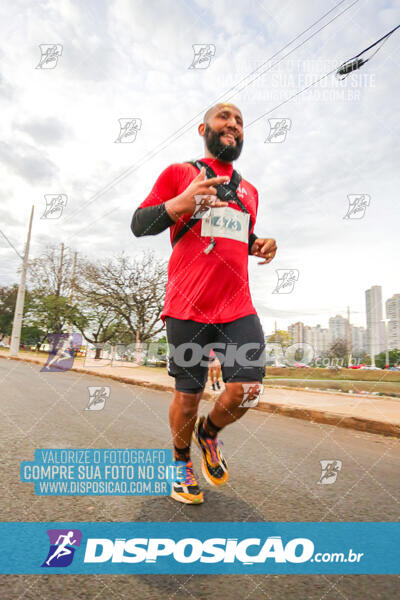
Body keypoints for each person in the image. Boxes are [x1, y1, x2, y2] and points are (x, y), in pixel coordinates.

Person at [131, 102, 277, 504]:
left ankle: (208, 434)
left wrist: (259, 243)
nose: (233, 125)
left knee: (247, 388)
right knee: (188, 395)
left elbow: (235, 236)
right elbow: (139, 224)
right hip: (187, 304)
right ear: (203, 128)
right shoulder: (179, 173)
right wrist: (182, 202)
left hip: (237, 305)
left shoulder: (251, 191)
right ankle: (181, 461)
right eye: (224, 117)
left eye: (240, 121)